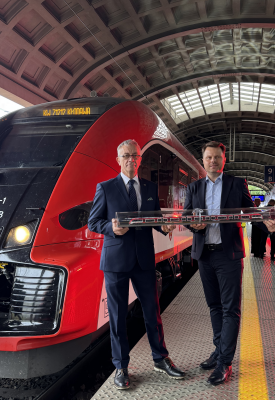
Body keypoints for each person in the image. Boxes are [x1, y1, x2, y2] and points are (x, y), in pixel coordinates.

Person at [88, 139, 185, 390]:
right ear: (118, 160)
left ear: (140, 160)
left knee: (153, 311)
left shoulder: (149, 187)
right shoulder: (105, 188)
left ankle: (160, 359)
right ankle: (121, 367)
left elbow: (154, 219)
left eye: (135, 155)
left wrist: (164, 227)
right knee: (118, 316)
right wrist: (110, 228)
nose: (131, 159)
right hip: (116, 261)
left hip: (144, 260)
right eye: (126, 155)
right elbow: (93, 222)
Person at [183, 141, 275, 386]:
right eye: (209, 157)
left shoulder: (237, 184)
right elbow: (185, 216)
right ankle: (219, 351)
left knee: (230, 309)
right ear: (203, 160)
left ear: (224, 160)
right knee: (214, 306)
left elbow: (251, 212)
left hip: (229, 255)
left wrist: (267, 225)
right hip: (204, 255)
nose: (213, 161)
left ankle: (225, 363)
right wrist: (193, 225)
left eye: (217, 157)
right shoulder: (194, 187)